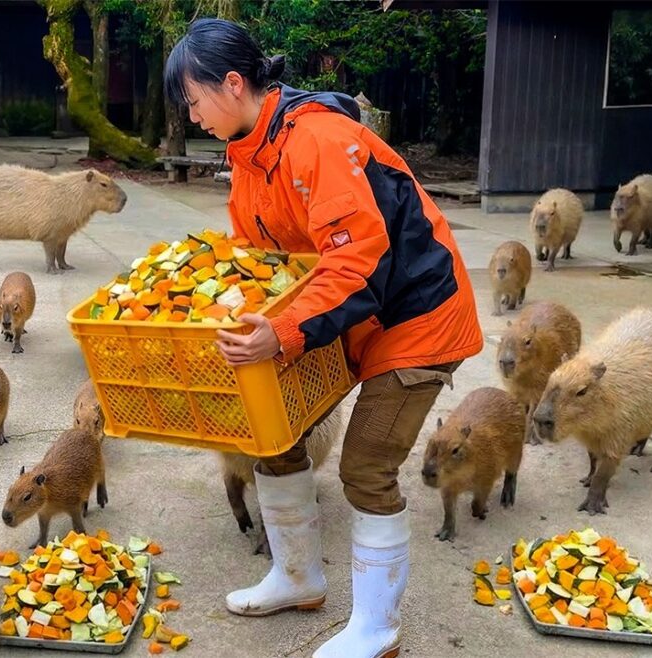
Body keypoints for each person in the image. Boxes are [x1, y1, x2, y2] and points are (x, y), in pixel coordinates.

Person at [163, 18, 483, 658]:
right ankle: (297, 578)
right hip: (343, 317)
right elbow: (262, 256)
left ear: (231, 84)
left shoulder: (318, 139)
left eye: (193, 99)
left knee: (366, 466)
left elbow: (354, 261)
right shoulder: (247, 153)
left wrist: (281, 332)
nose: (190, 114)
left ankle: (377, 628)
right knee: (273, 435)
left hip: (415, 315)